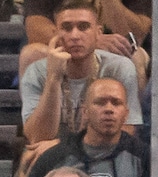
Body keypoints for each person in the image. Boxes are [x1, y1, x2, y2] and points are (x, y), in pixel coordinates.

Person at [14, 77, 149, 177]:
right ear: (85, 111)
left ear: (126, 113)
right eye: (100, 102)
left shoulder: (144, 157)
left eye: (116, 103)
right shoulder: (53, 159)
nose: (109, 109)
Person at [19, 0, 143, 147]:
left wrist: (63, 147)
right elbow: (36, 137)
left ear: (99, 33)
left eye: (83, 27)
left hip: (100, 153)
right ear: (56, 33)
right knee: (30, 157)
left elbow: (126, 130)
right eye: (67, 28)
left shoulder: (119, 68)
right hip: (50, 158)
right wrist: (53, 78)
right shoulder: (37, 71)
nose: (75, 35)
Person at [18, 0, 151, 83]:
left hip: (113, 53)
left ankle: (128, 127)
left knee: (136, 57)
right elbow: (34, 28)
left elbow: (137, 35)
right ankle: (37, 125)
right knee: (32, 54)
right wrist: (90, 41)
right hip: (64, 49)